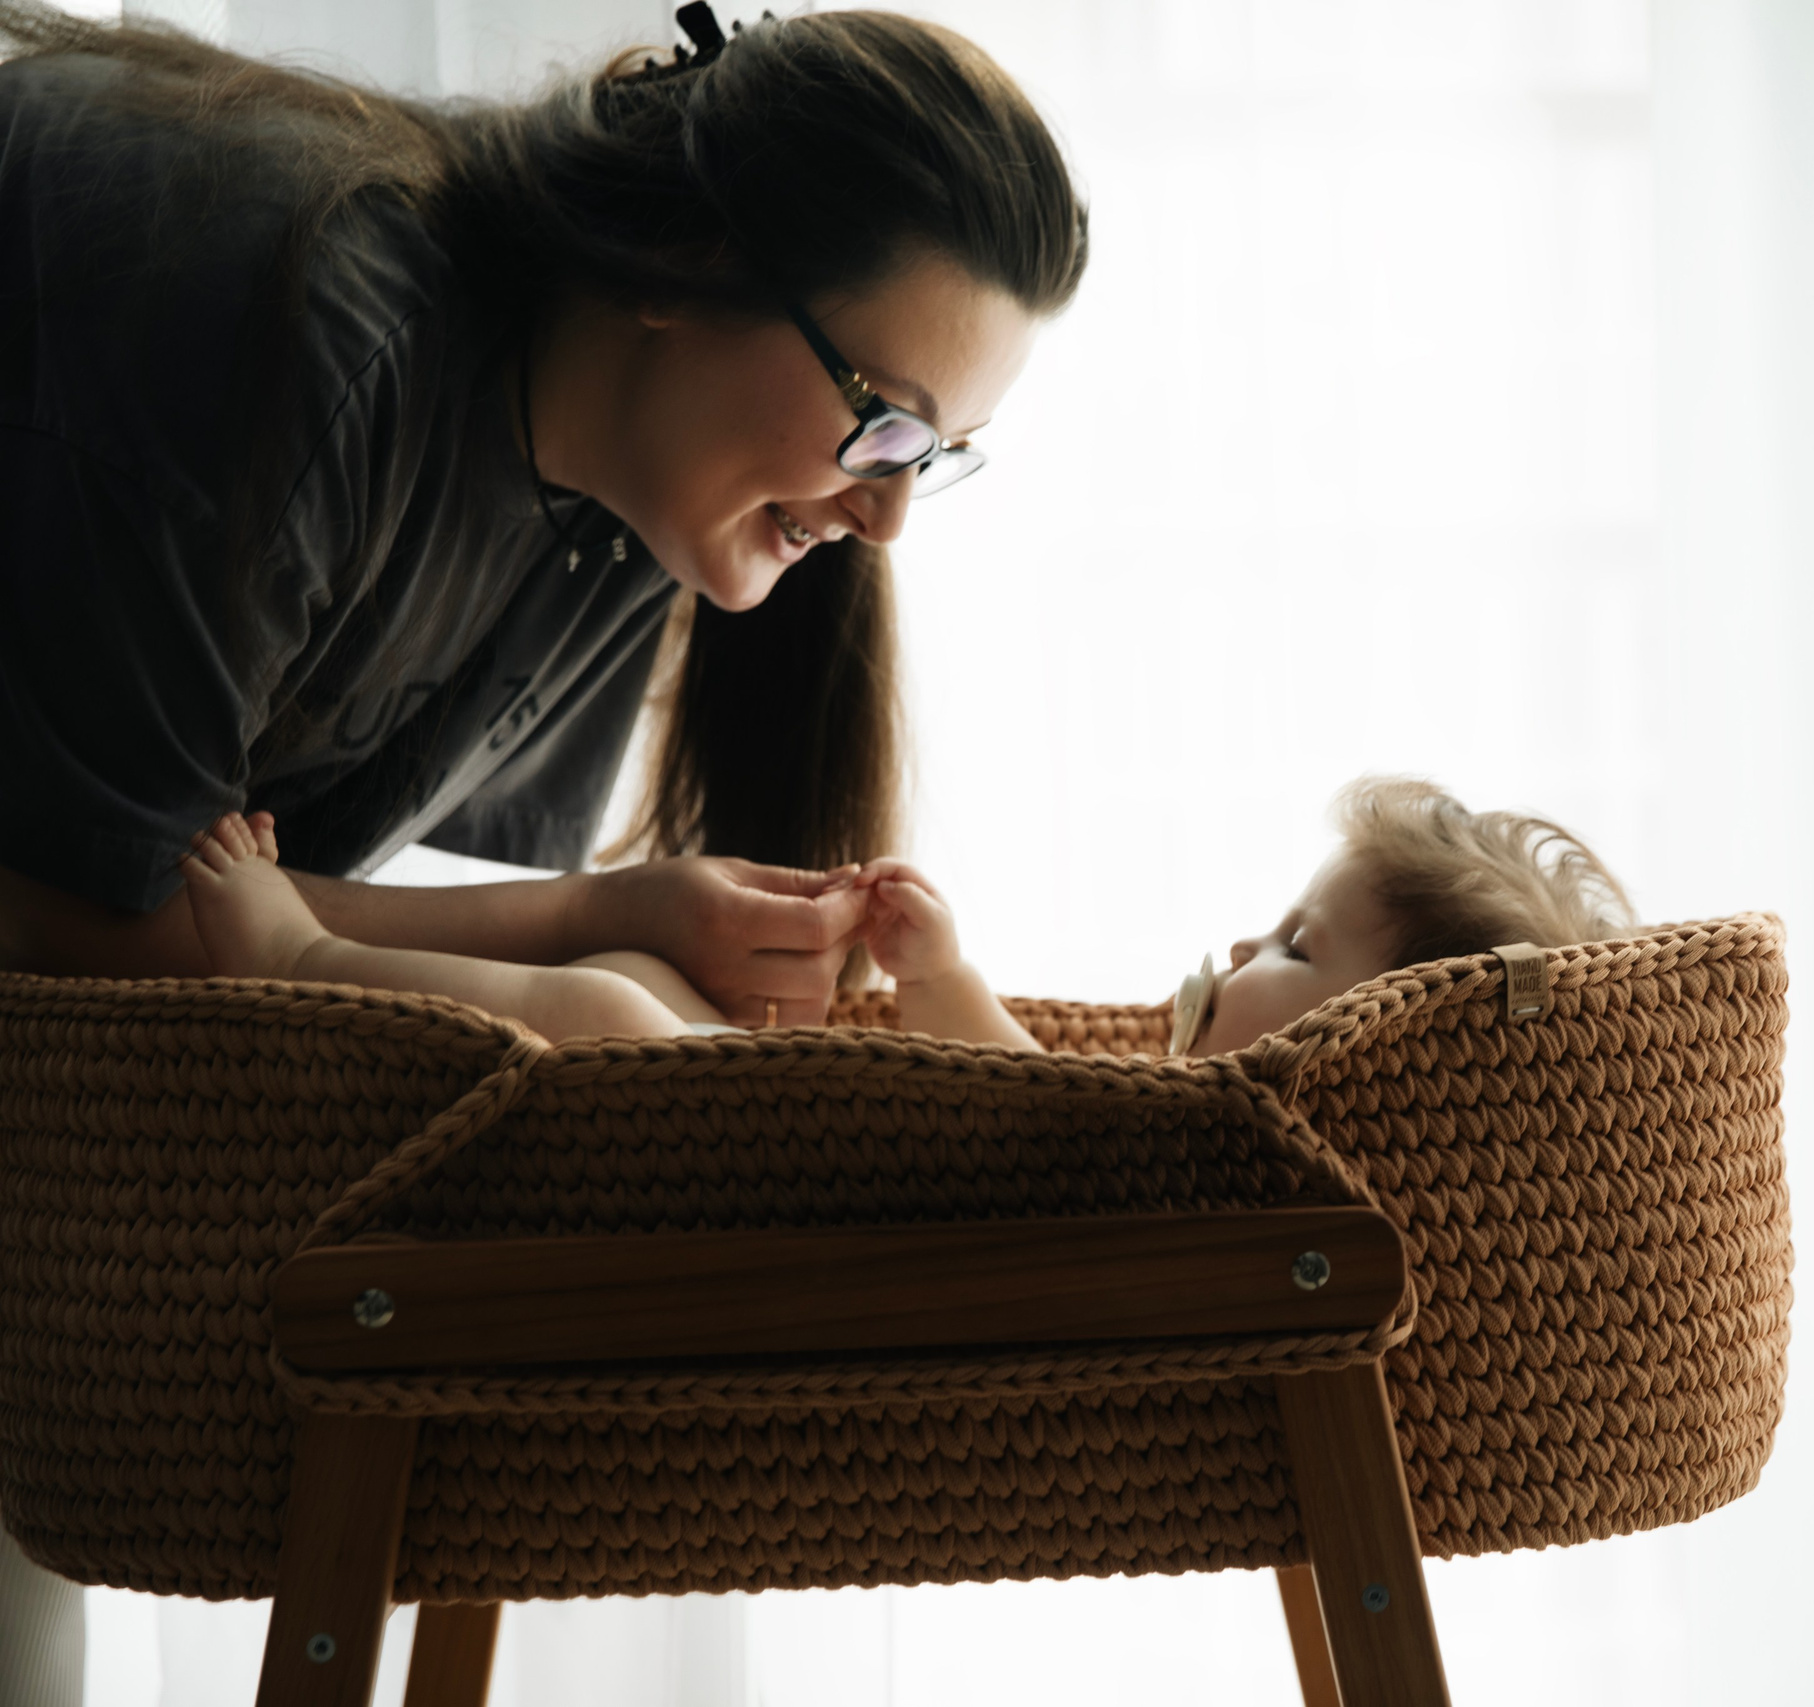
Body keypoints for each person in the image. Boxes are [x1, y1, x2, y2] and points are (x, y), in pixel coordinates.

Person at [0, 5, 1084, 1697]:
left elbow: (218, 881)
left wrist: (612, 914)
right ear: (679, 255)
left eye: (933, 459)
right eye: (881, 422)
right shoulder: (315, 321)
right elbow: (88, 916)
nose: (885, 517)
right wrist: (581, 930)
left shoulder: (620, 520)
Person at [172, 779, 1638, 1052]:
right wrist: (931, 973)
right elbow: (1014, 1088)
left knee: (613, 1011)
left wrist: (948, 984)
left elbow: (1015, 1106)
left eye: (1302, 952)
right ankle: (320, 938)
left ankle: (306, 959)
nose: (1249, 949)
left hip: (790, 1206)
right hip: (782, 1138)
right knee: (630, 979)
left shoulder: (1232, 1151)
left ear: (1372, 1049)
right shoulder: (1193, 1108)